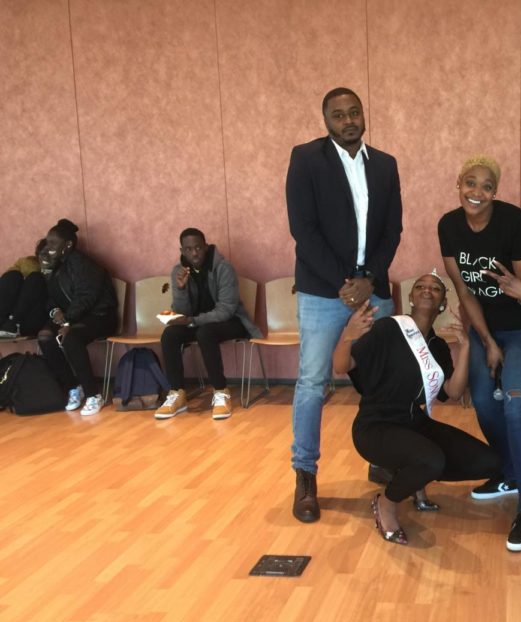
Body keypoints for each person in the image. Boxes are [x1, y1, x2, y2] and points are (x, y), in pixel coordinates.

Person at [286, 87, 402, 524]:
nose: (348, 120)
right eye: (339, 115)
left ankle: (382, 458)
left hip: (372, 287)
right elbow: (304, 228)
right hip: (322, 291)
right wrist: (344, 283)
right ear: (326, 121)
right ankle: (305, 475)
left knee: (381, 381)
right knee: (313, 383)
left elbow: (393, 229)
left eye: (354, 112)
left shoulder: (386, 165)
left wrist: (369, 279)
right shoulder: (306, 159)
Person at [438, 155, 521, 552]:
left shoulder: (516, 222)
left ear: (496, 191)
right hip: (491, 328)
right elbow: (465, 290)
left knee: (517, 405)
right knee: (486, 407)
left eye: (486, 186)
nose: (477, 192)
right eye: (470, 183)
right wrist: (488, 343)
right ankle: (508, 472)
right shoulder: (449, 226)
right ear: (458, 183)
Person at [333, 273, 502, 545]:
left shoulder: (436, 345)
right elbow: (342, 366)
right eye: (420, 287)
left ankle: (413, 477)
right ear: (410, 297)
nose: (427, 291)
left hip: (414, 423)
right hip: (376, 425)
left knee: (489, 461)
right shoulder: (388, 328)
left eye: (435, 289)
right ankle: (386, 503)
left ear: (443, 304)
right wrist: (348, 336)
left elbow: (454, 392)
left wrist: (467, 347)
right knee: (431, 459)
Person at [155, 228, 261, 421]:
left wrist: (192, 321)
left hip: (232, 321)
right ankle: (176, 393)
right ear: (182, 251)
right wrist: (180, 289)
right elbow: (182, 311)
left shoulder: (223, 268)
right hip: (197, 322)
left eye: (198, 248)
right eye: (188, 249)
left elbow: (226, 310)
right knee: (170, 334)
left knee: (205, 333)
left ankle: (221, 392)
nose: (194, 253)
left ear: (205, 246)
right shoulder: (178, 272)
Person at [37, 219, 118, 416]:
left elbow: (86, 298)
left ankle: (93, 394)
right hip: (73, 317)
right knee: (45, 336)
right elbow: (49, 298)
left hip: (99, 316)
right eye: (48, 242)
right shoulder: (55, 266)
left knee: (71, 338)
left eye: (53, 243)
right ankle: (74, 387)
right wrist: (54, 311)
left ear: (68, 245)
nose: (49, 247)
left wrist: (67, 322)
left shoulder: (83, 264)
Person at [0, 238, 48, 338]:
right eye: (43, 254)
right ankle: (6, 324)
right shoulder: (27, 262)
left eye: (51, 253)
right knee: (12, 276)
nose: (47, 257)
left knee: (36, 279)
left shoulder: (63, 270)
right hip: (6, 319)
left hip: (30, 319)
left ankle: (12, 324)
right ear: (38, 255)